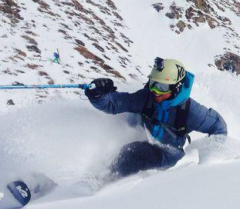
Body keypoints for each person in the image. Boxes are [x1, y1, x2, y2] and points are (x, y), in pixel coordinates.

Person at [85, 57, 227, 178]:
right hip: (144, 141)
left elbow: (219, 128)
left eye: (162, 88)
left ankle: (107, 183)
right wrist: (97, 95)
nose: (156, 92)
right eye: (153, 84)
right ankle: (98, 175)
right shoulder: (147, 97)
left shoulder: (190, 111)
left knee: (132, 152)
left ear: (176, 87)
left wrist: (208, 162)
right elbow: (114, 104)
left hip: (167, 157)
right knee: (126, 126)